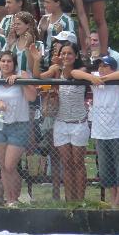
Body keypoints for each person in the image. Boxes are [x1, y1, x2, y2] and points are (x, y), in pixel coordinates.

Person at [75, 56, 119, 207]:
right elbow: (75, 73)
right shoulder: (95, 78)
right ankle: (113, 201)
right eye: (99, 66)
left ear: (112, 68)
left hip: (118, 131)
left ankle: (118, 202)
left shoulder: (117, 80)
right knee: (106, 172)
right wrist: (91, 78)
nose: (100, 68)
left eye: (104, 65)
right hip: (100, 132)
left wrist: (104, 79)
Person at [0, 51, 38, 206]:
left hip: (19, 125)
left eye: (9, 61)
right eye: (3, 61)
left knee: (10, 165)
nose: (6, 64)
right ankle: (11, 199)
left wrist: (20, 81)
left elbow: (32, 97)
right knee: (3, 166)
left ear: (14, 63)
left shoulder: (22, 74)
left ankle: (15, 196)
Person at [40, 42, 88, 202]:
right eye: (63, 53)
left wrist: (60, 65)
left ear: (76, 56)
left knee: (78, 162)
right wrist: (34, 59)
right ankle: (69, 199)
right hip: (61, 123)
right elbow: (39, 77)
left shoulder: (80, 70)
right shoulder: (56, 70)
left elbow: (71, 74)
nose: (66, 56)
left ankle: (80, 201)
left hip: (78, 123)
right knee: (66, 163)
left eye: (69, 53)